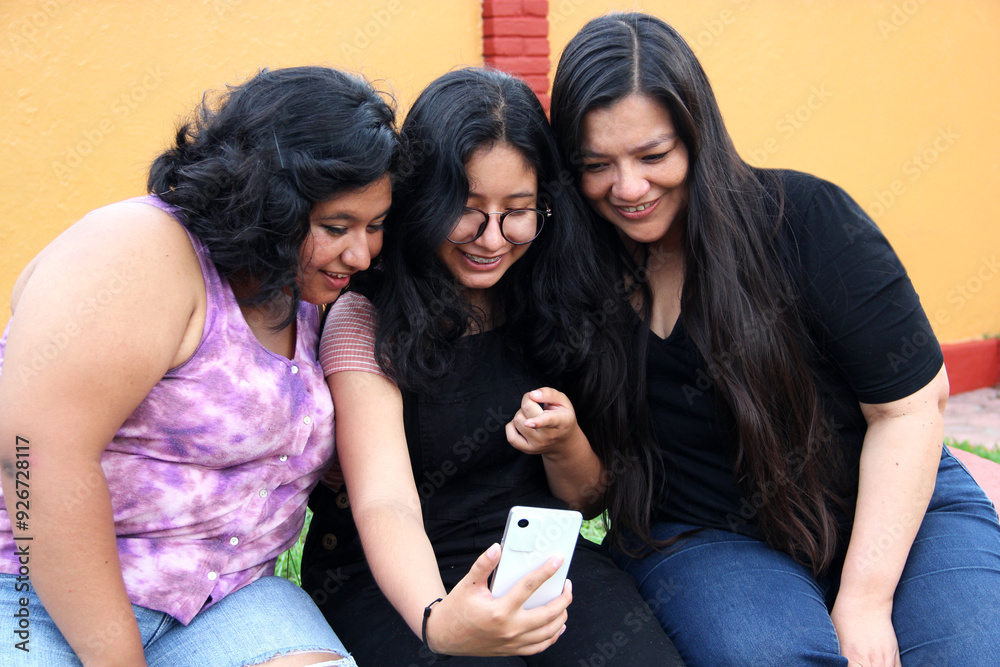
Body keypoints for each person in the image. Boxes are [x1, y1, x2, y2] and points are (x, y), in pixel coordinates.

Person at [548, 11, 1000, 667]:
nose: (629, 187)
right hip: (708, 534)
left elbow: (908, 407)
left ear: (697, 136)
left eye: (653, 155)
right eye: (596, 164)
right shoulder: (574, 276)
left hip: (895, 505)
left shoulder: (807, 220)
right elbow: (588, 481)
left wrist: (866, 599)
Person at [0, 66, 399, 666]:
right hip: (34, 595)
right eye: (335, 227)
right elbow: (29, 453)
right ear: (267, 202)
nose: (361, 253)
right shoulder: (142, 250)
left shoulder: (308, 289)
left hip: (226, 601)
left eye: (375, 226)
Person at [301, 67, 683, 665]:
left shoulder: (553, 301)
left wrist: (563, 442)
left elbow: (587, 501)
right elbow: (386, 503)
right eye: (468, 208)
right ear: (422, 200)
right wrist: (439, 620)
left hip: (535, 561)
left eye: (518, 210)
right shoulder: (365, 317)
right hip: (394, 577)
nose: (492, 238)